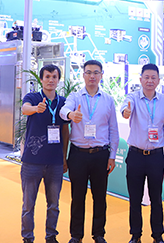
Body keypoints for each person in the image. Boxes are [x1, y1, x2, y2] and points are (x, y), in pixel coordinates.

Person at [59, 60, 119, 243]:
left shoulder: (108, 100)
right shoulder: (75, 97)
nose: (92, 76)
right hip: (78, 154)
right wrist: (71, 115)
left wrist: (112, 156)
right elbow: (63, 110)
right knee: (77, 197)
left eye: (96, 72)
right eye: (89, 72)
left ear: (101, 75)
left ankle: (99, 234)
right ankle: (76, 235)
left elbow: (113, 130)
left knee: (100, 197)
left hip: (101, 155)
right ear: (83, 75)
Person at [120, 64, 164, 243]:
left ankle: (157, 235)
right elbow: (125, 110)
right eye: (147, 77)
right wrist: (126, 112)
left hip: (156, 156)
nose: (150, 81)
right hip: (135, 155)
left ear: (158, 80)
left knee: (156, 198)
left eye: (153, 77)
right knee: (134, 198)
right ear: (140, 79)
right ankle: (135, 235)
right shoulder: (133, 98)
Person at [20, 64, 70, 243]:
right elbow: (24, 109)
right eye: (47, 76)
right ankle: (28, 237)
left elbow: (65, 132)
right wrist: (36, 109)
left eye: (54, 77)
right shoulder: (33, 97)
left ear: (58, 80)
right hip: (32, 162)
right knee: (28, 205)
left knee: (54, 204)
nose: (51, 80)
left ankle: (51, 237)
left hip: (55, 162)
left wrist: (64, 157)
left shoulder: (63, 102)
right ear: (41, 79)